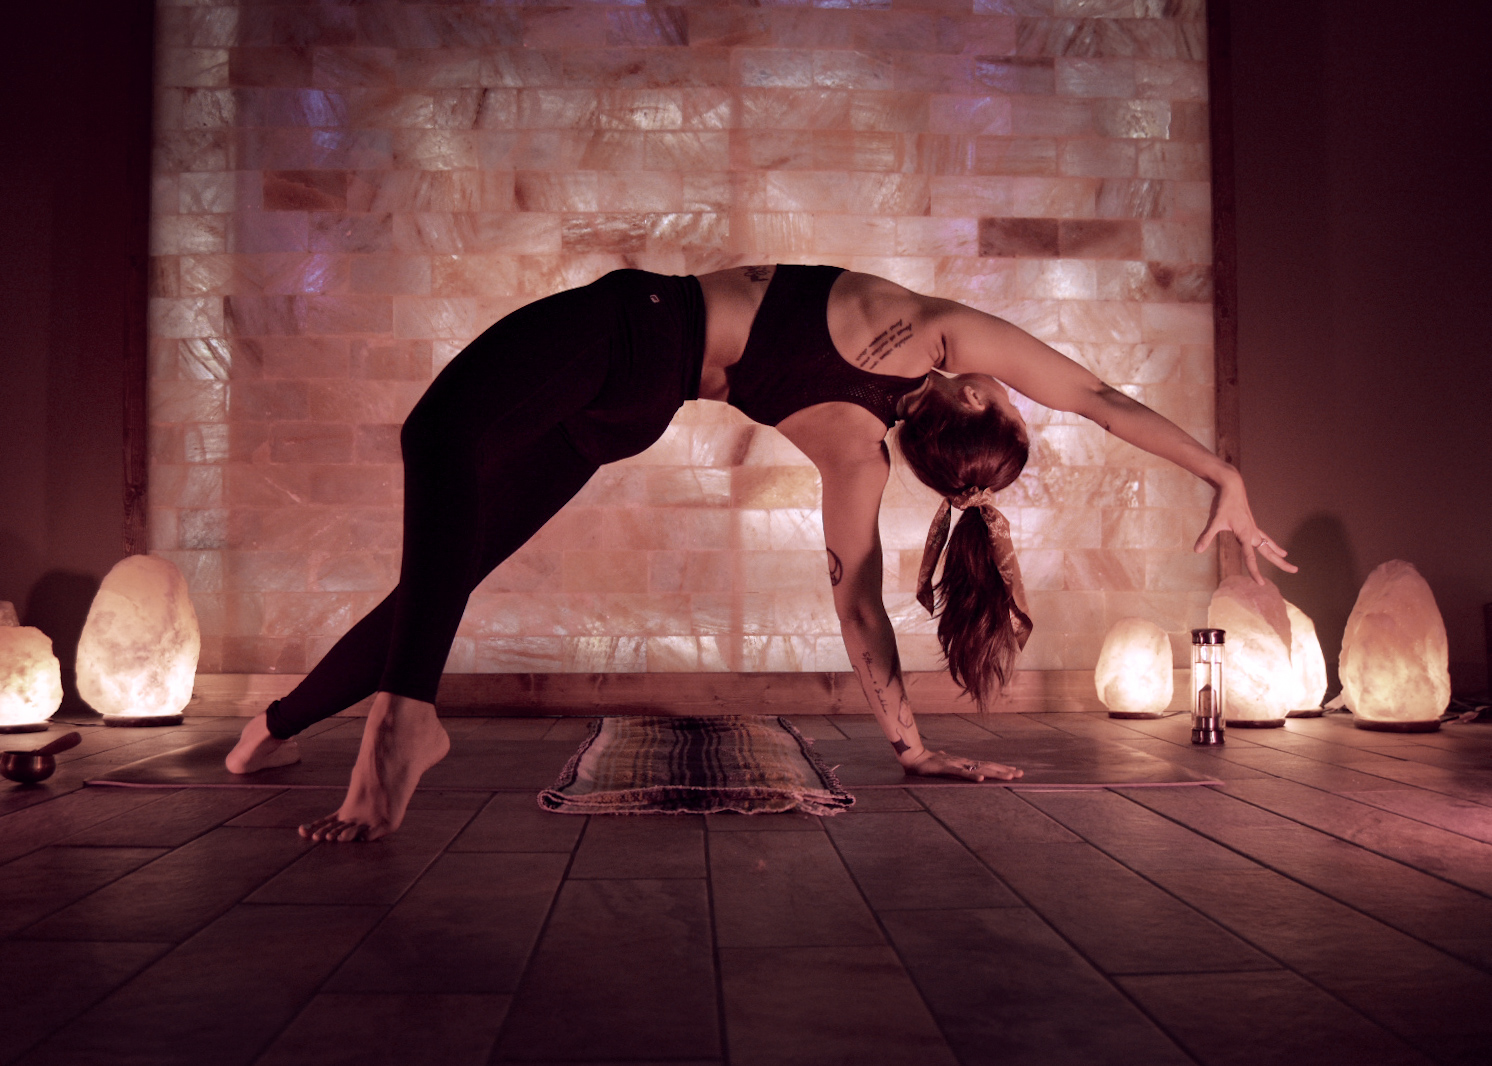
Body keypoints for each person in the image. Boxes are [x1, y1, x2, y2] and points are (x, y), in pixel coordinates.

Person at [225, 264, 1295, 842]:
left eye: (1011, 401)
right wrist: (911, 748)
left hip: (634, 331)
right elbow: (859, 607)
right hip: (628, 415)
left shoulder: (929, 330)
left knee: (436, 436)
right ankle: (270, 729)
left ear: (976, 395)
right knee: (444, 571)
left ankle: (404, 718)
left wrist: (1225, 475)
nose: (1015, 389)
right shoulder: (856, 456)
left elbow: (1097, 398)